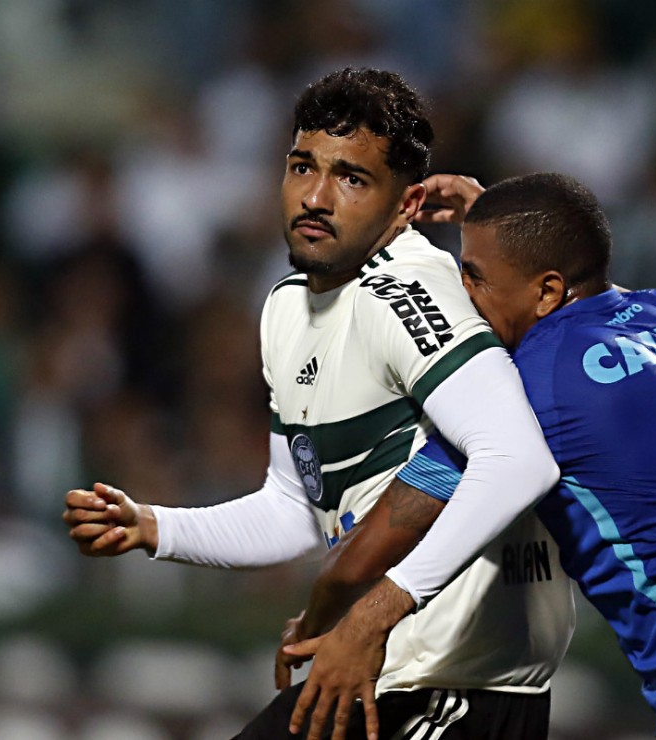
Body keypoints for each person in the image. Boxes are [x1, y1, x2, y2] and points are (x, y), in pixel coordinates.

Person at [62, 69, 575, 738]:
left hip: (453, 693)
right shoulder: (287, 308)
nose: (315, 197)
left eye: (352, 178)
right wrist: (156, 527)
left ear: (407, 203)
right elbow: (296, 509)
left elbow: (518, 460)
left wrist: (373, 613)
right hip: (385, 681)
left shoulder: (409, 294)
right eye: (303, 167)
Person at [285, 173, 656, 740]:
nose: (464, 296)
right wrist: (508, 229)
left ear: (546, 290)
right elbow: (584, 306)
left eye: (476, 276)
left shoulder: (527, 386)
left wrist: (316, 623)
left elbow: (366, 554)